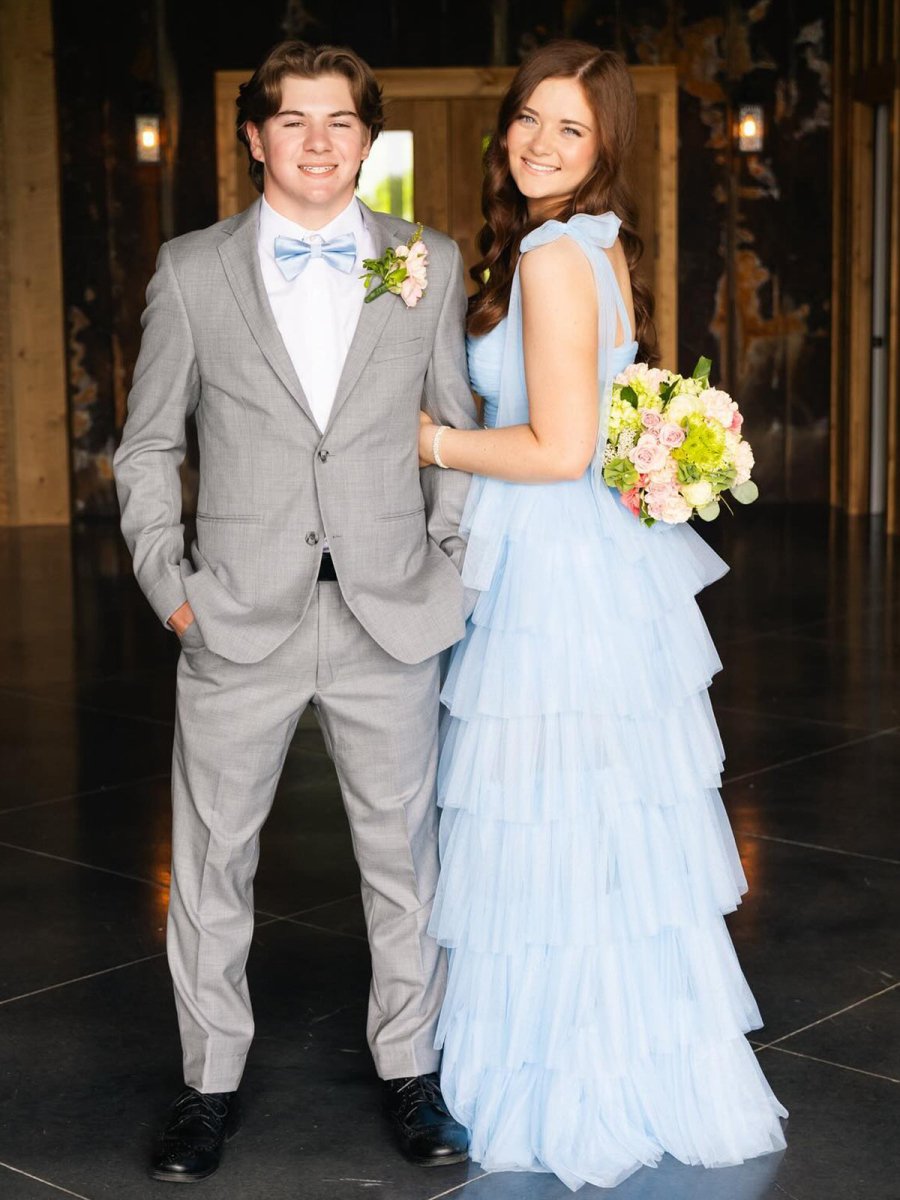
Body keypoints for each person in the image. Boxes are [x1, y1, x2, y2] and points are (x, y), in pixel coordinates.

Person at [418, 40, 787, 1191]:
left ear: (606, 145)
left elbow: (562, 447)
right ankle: (622, 1043)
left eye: (570, 129)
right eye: (529, 119)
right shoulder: (602, 244)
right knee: (599, 818)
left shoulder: (547, 254)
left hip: (553, 582)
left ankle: (567, 1065)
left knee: (549, 817)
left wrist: (422, 440)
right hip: (600, 567)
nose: (538, 142)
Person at [114, 40, 474, 1183]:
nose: (320, 142)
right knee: (214, 865)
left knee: (404, 863)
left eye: (342, 123)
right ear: (256, 137)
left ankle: (412, 1075)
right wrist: (173, 590)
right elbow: (148, 445)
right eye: (296, 121)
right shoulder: (190, 270)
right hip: (236, 617)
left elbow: (453, 429)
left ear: (368, 140)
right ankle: (206, 1087)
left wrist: (449, 567)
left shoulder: (430, 260)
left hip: (388, 613)